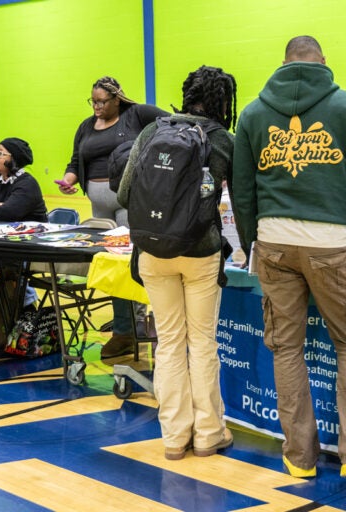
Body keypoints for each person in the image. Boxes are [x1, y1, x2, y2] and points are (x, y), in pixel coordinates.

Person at [232, 36, 346, 480]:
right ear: (324, 63)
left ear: (283, 64)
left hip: (273, 242)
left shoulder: (254, 112)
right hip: (332, 242)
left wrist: (252, 244)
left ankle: (299, 456)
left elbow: (241, 190)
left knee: (286, 347)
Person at [118, 65, 237, 461]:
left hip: (152, 251)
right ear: (223, 101)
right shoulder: (222, 139)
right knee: (202, 343)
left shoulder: (154, 130)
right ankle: (208, 434)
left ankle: (173, 438)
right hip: (200, 250)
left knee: (168, 343)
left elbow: (123, 194)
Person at [58, 76, 168, 358]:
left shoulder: (136, 114)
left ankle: (132, 327)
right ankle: (125, 323)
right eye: (92, 101)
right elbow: (75, 160)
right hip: (98, 205)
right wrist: (69, 180)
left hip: (128, 199)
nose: (96, 107)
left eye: (102, 102)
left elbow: (171, 124)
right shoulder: (86, 126)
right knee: (110, 262)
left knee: (127, 262)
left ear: (117, 99)